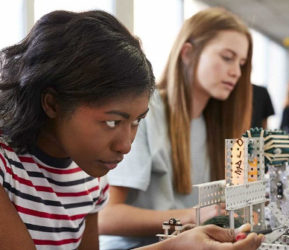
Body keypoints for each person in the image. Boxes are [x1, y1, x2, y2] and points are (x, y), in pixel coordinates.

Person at [0, 9, 263, 250]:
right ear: (52, 103)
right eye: (112, 122)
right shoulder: (8, 167)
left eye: (137, 121)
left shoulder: (90, 176)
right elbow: (112, 218)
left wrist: (178, 244)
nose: (126, 145)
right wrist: (184, 226)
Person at [99, 7, 256, 249]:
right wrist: (192, 215)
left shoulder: (214, 125)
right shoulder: (145, 113)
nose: (236, 72)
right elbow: (106, 217)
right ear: (188, 53)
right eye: (227, 57)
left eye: (242, 63)